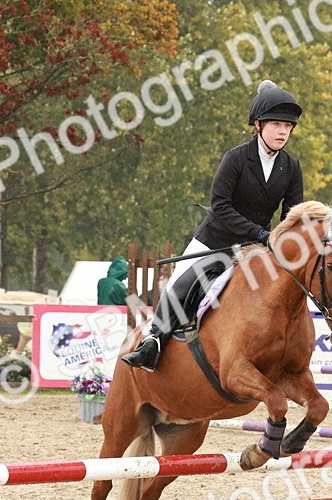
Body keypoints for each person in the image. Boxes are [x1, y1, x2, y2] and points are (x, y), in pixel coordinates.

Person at [122, 79, 304, 371]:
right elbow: (220, 206)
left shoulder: (292, 166)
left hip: (255, 249)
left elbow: (291, 213)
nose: (283, 131)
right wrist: (259, 232)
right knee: (179, 285)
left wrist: (283, 241)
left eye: (288, 126)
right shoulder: (235, 159)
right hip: (215, 241)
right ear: (258, 125)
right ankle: (153, 343)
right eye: (276, 125)